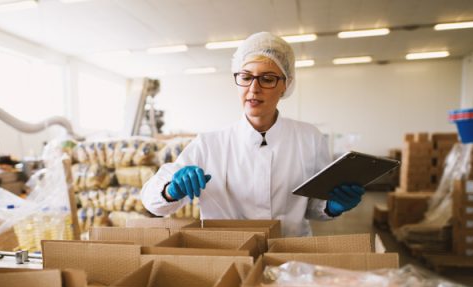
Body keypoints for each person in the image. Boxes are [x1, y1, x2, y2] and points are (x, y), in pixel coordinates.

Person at [141, 32, 365, 237]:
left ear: (285, 85)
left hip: (289, 255)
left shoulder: (309, 138)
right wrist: (170, 189)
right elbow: (152, 203)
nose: (254, 88)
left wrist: (332, 205)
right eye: (246, 77)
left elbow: (314, 206)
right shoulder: (209, 144)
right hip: (228, 255)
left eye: (267, 79)